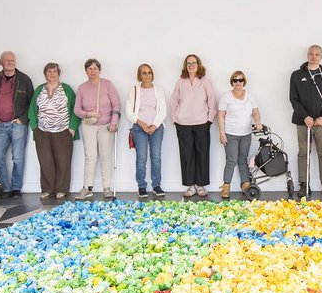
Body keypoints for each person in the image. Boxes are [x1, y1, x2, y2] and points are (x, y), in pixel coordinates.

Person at [289, 44, 322, 198]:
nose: (313, 56)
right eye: (311, 54)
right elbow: (293, 99)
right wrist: (305, 117)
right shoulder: (297, 75)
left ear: (321, 57)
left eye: (317, 54)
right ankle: (304, 184)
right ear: (307, 55)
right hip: (303, 122)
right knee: (303, 153)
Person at [28, 62, 80, 201]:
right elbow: (32, 110)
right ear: (45, 74)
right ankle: (47, 189)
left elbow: (76, 109)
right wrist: (35, 127)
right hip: (43, 132)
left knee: (63, 161)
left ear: (58, 73)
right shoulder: (39, 89)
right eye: (49, 71)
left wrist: (72, 127)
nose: (52, 74)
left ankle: (62, 189)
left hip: (63, 131)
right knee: (45, 161)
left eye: (54, 71)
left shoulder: (66, 89)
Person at [0, 51, 33, 199]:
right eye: (6, 60)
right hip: (0, 125)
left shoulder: (24, 79)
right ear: (0, 62)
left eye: (12, 60)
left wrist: (23, 119)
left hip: (18, 124)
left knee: (17, 157)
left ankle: (16, 187)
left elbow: (32, 102)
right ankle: (4, 187)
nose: (10, 63)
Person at [73, 58, 121, 200]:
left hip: (106, 126)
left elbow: (116, 105)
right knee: (90, 157)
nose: (92, 71)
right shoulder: (82, 87)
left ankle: (107, 188)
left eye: (95, 68)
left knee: (106, 157)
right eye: (89, 69)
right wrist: (88, 114)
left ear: (99, 70)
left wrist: (113, 123)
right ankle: (87, 188)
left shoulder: (107, 85)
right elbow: (76, 109)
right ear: (86, 71)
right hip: (88, 126)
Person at [170, 54, 216, 198]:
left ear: (198, 65)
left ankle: (201, 185)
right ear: (185, 66)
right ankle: (190, 185)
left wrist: (209, 119)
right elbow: (173, 100)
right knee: (186, 155)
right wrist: (174, 118)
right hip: (183, 124)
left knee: (202, 154)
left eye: (194, 63)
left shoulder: (205, 81)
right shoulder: (180, 82)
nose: (191, 65)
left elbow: (212, 100)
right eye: (188, 63)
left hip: (202, 123)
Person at [217, 70, 262, 199]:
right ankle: (226, 186)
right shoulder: (226, 97)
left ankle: (245, 185)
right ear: (232, 82)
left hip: (246, 134)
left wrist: (258, 122)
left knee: (243, 159)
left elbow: (255, 112)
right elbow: (220, 116)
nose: (238, 82)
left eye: (240, 80)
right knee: (231, 160)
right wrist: (222, 134)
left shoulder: (250, 96)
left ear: (244, 82)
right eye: (235, 80)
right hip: (230, 133)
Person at [125, 63, 167, 199]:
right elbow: (128, 111)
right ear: (139, 75)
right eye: (144, 73)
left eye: (149, 72)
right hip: (139, 128)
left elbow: (163, 111)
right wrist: (142, 124)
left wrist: (154, 126)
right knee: (141, 158)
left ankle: (156, 185)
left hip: (156, 128)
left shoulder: (159, 90)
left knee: (156, 157)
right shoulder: (134, 90)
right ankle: (141, 186)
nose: (147, 75)